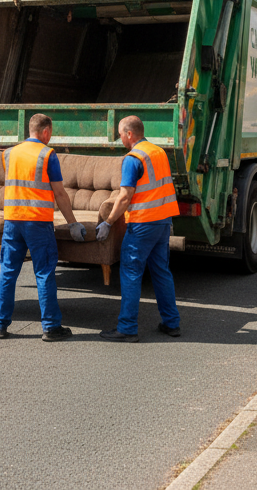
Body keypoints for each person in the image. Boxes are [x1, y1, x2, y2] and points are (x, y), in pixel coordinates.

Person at [0, 113, 86, 342]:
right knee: (43, 273)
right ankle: (51, 327)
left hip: (12, 221)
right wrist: (72, 222)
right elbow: (59, 193)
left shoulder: (9, 153)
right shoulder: (47, 154)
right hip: (37, 222)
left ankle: (0, 325)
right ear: (45, 132)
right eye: (50, 133)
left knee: (8, 272)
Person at [98, 115, 181, 342]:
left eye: (120, 135)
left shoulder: (133, 158)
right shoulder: (159, 152)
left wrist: (108, 222)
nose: (120, 139)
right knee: (161, 272)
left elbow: (125, 197)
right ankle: (171, 323)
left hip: (143, 224)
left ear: (129, 134)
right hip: (163, 222)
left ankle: (127, 328)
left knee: (131, 273)